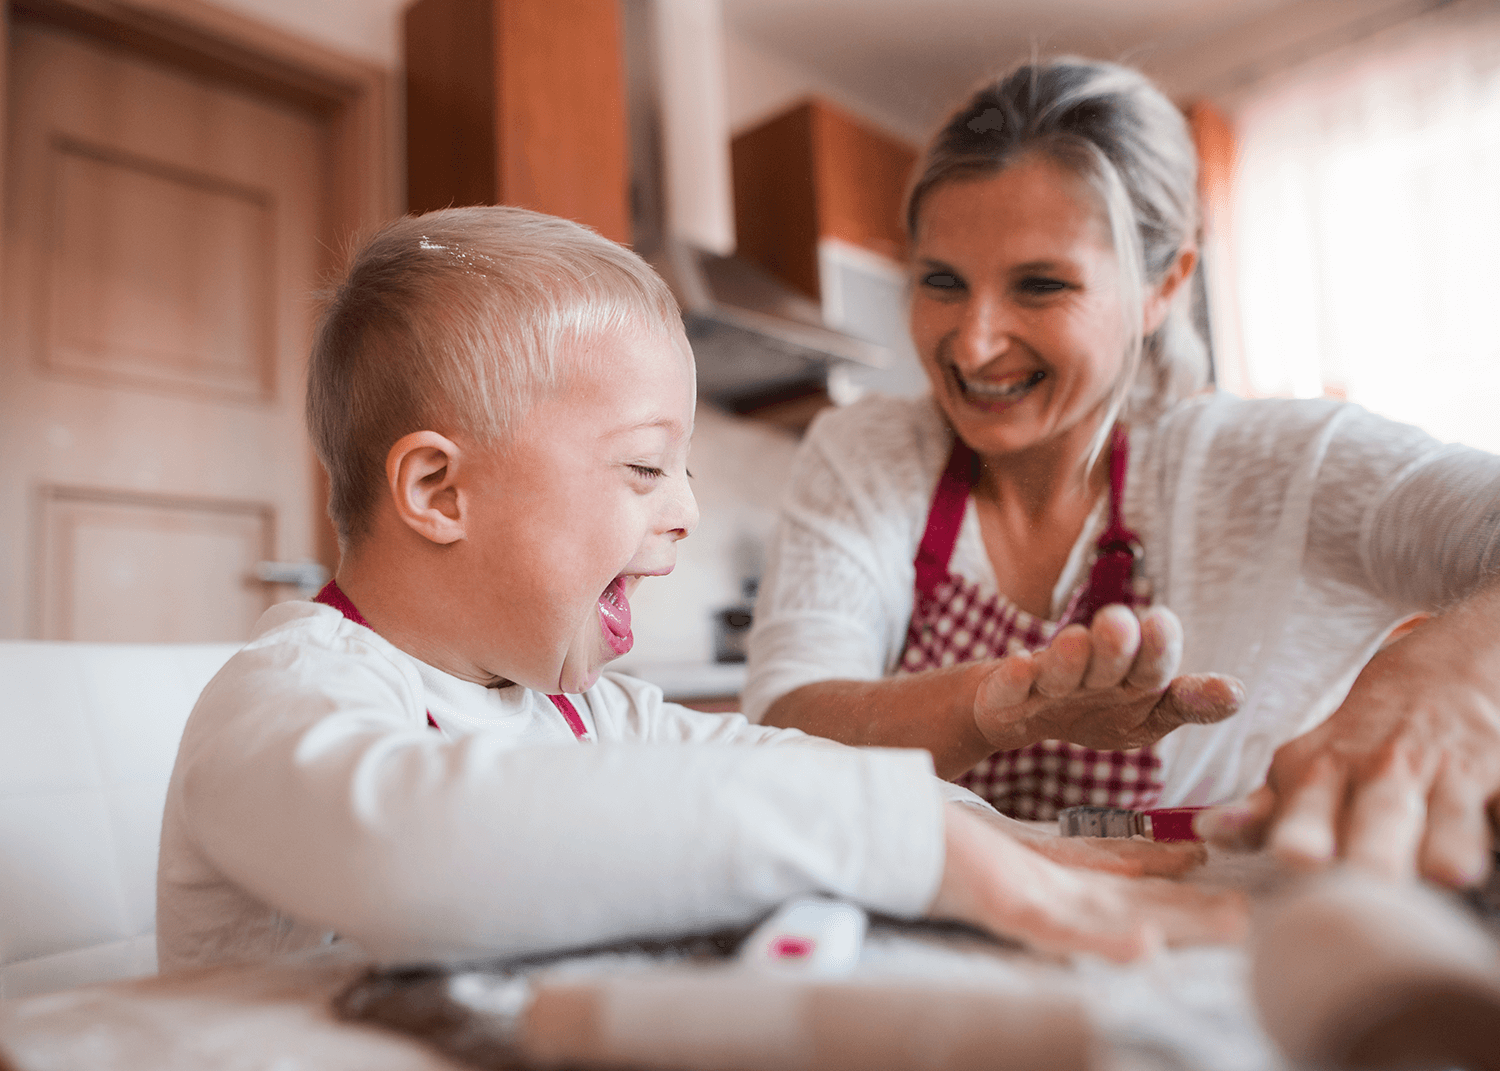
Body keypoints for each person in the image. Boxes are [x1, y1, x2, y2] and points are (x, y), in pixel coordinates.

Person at [155, 206, 1242, 976]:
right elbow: (415, 853)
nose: (683, 508)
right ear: (439, 489)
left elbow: (776, 767)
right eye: (641, 467)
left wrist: (1017, 839)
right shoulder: (284, 700)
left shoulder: (582, 710)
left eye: (684, 467)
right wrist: (897, 843)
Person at [745, 57, 1500, 888]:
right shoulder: (865, 453)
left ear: (1163, 285)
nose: (973, 342)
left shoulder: (1284, 461)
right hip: (939, 915)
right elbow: (787, 723)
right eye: (942, 283)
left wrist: (1435, 678)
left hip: (1202, 935)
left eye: (1040, 285)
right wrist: (991, 706)